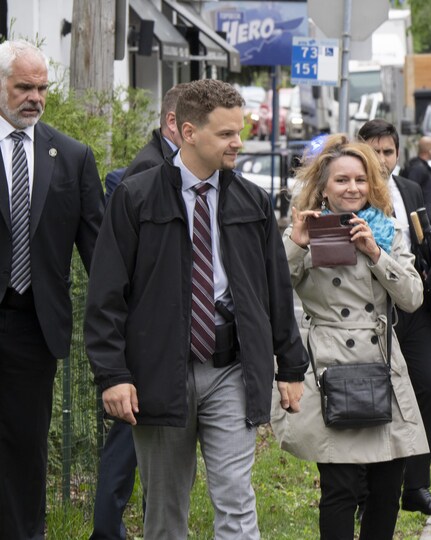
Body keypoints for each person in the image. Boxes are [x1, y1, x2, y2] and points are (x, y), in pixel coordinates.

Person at [84, 79, 308, 539]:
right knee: (165, 511)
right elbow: (106, 295)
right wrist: (114, 375)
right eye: (226, 134)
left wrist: (290, 365)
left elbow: (274, 288)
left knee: (236, 499)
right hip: (159, 371)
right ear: (189, 132)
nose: (238, 142)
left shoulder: (252, 200)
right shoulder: (136, 197)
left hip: (230, 367)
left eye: (238, 131)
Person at [270, 134, 428, 539]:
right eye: (341, 180)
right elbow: (268, 288)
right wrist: (294, 242)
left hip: (381, 367)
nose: (352, 188)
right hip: (330, 367)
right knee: (339, 488)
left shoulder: (387, 231)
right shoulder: (305, 230)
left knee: (387, 486)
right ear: (323, 187)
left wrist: (376, 254)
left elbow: (412, 298)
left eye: (360, 179)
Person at [0, 40, 103, 539]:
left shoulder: (73, 156)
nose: (34, 97)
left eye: (42, 87)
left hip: (32, 326)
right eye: (24, 87)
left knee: (25, 444)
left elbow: (99, 253)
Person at [90, 82, 187, 540]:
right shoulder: (144, 174)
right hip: (145, 342)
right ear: (175, 123)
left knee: (139, 446)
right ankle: (109, 531)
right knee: (128, 444)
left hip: (162, 340)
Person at [357, 119, 431, 516]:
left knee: (430, 386)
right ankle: (366, 492)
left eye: (389, 152)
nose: (382, 160)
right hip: (367, 310)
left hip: (412, 305)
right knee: (367, 397)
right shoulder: (351, 187)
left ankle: (416, 486)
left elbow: (425, 239)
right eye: (374, 151)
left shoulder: (410, 188)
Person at [400, 135, 431, 229]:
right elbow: (410, 194)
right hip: (422, 221)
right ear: (429, 150)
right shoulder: (418, 169)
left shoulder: (419, 166)